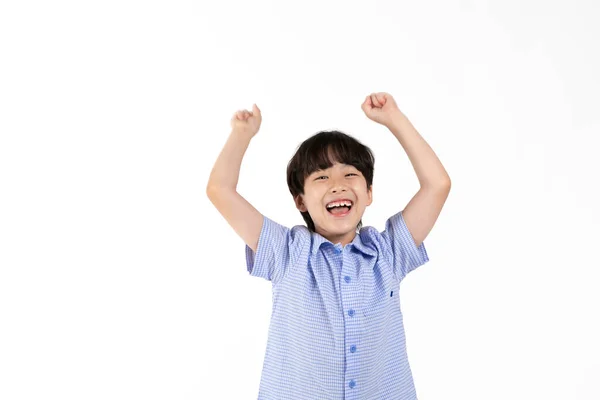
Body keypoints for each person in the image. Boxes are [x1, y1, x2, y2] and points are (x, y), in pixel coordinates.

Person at [207, 92, 451, 399]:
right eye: (321, 176)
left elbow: (437, 185)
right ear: (301, 201)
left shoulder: (387, 252)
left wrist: (394, 119)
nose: (338, 184)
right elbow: (220, 190)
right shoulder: (286, 253)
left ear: (369, 192)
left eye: (350, 173)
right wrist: (241, 135)